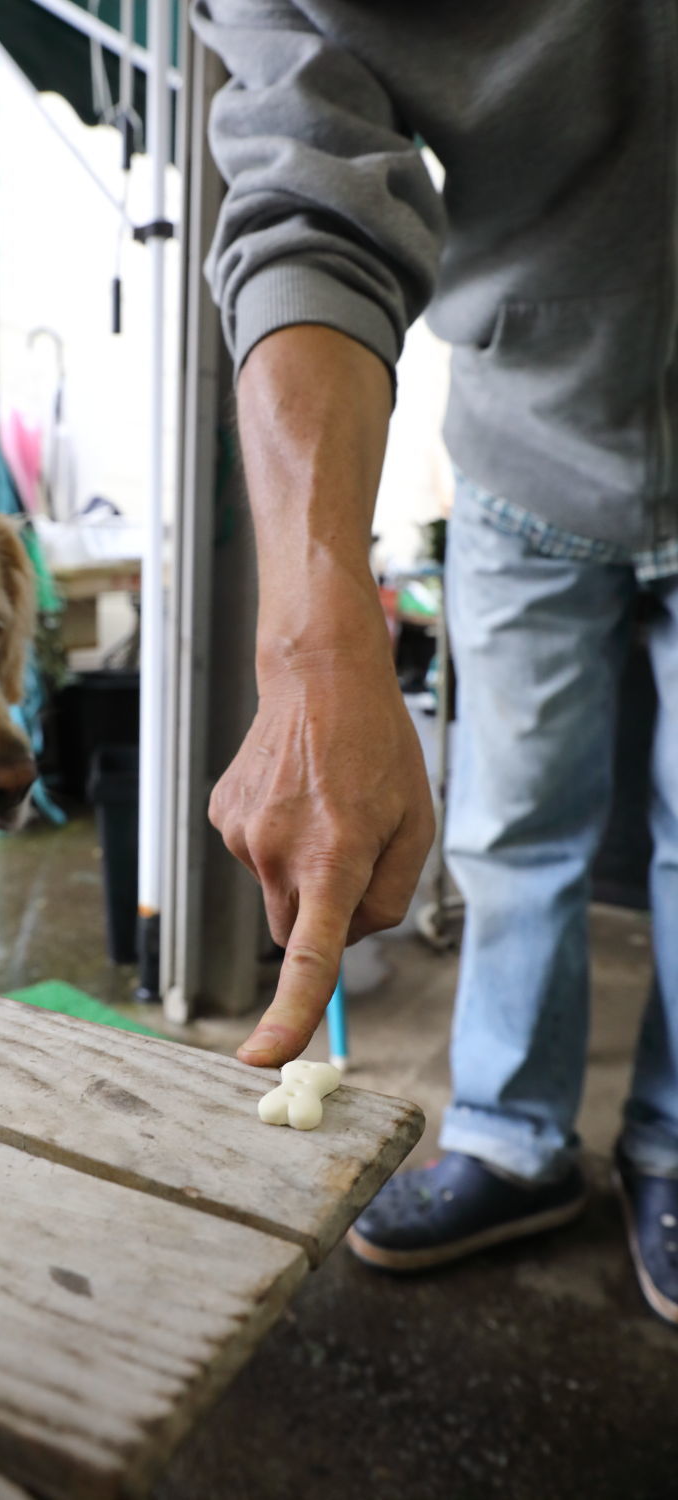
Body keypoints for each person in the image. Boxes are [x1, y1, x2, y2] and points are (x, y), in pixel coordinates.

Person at [190, 0, 678, 1325]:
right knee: (512, 830)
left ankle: (673, 1145)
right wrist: (306, 625)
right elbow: (305, 195)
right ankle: (515, 1138)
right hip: (524, 449)